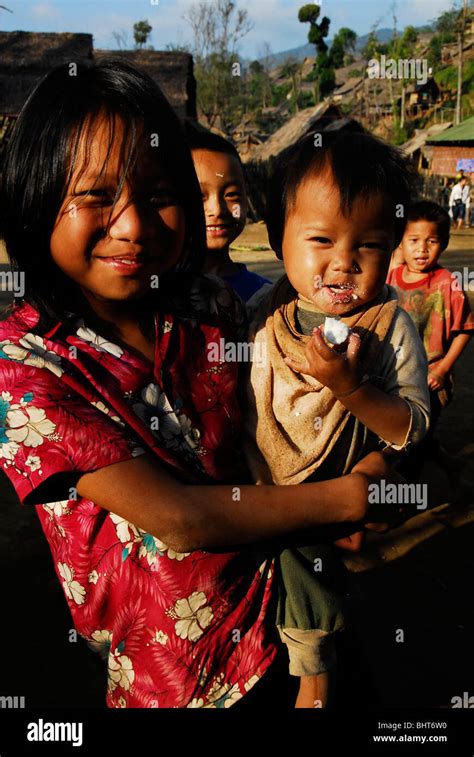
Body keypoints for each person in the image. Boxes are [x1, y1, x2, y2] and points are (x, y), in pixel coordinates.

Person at [0, 59, 390, 709]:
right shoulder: (25, 363)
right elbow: (179, 517)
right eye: (96, 195)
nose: (133, 227)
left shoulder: (211, 304)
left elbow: (272, 426)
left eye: (157, 195)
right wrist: (352, 497)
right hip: (175, 678)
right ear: (35, 196)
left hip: (283, 622)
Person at [243, 130, 431, 708]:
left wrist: (349, 388)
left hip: (341, 496)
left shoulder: (389, 325)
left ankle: (314, 676)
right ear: (279, 240)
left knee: (310, 571)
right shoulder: (260, 317)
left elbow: (414, 424)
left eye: (369, 245)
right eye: (320, 239)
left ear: (392, 248)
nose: (343, 262)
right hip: (259, 489)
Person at [387, 200, 474, 475]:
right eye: (413, 240)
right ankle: (438, 456)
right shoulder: (390, 277)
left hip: (431, 378)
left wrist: (443, 368)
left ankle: (407, 496)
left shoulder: (447, 282)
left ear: (444, 243)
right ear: (400, 242)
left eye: (432, 241)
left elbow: (465, 329)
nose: (422, 249)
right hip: (394, 374)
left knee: (416, 440)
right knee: (393, 433)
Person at [186, 124, 271, 302]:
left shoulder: (264, 296)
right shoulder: (160, 291)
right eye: (199, 196)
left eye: (231, 194)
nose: (217, 210)